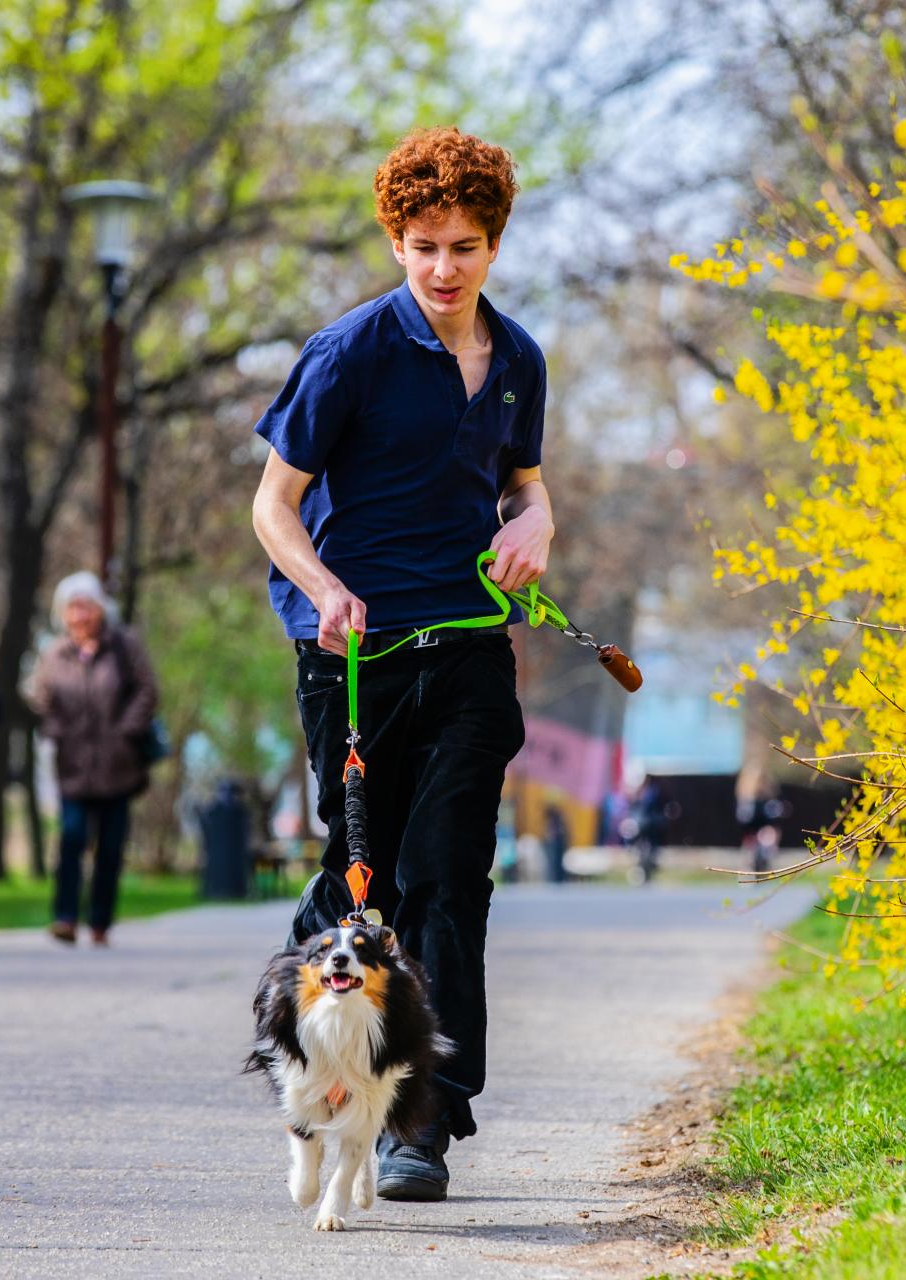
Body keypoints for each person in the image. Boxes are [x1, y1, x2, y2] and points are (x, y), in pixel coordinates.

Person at [250, 125, 552, 1203]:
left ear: (494, 244)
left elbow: (520, 482)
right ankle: (311, 966)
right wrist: (325, 588)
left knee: (447, 875)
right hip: (354, 655)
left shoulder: (517, 359)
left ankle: (423, 1121)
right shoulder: (349, 353)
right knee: (363, 876)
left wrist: (539, 517)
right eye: (424, 247)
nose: (443, 269)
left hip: (468, 646)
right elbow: (273, 506)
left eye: (464, 247)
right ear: (396, 242)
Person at [30, 572, 160, 947]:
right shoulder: (54, 653)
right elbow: (41, 699)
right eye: (72, 608)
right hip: (72, 766)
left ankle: (100, 921)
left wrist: (126, 730)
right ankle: (66, 917)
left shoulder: (124, 646)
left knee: (110, 846)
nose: (80, 615)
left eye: (86, 607)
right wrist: (56, 729)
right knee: (71, 839)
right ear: (63, 613)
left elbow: (147, 690)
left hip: (118, 765)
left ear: (100, 610)